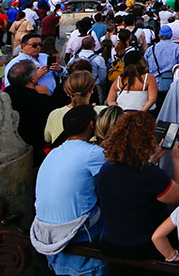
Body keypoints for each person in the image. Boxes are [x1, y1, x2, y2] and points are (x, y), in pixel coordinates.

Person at [95, 111, 179, 267]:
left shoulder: (107, 168)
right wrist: (176, 160)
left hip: (111, 241)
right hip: (143, 245)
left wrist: (152, 160)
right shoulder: (150, 174)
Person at [31, 105, 107, 276]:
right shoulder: (93, 153)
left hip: (44, 229)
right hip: (77, 230)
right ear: (91, 125)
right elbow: (120, 176)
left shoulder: (54, 153)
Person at [4, 58, 55, 166]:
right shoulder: (42, 100)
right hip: (34, 149)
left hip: (9, 145)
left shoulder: (4, 96)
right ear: (32, 79)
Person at [44, 71, 104, 145]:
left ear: (66, 91)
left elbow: (47, 138)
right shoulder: (103, 112)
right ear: (91, 89)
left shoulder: (54, 114)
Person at [145, 24, 179, 109]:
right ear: (171, 35)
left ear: (159, 35)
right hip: (172, 84)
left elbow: (146, 66)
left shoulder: (151, 49)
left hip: (154, 84)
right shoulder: (178, 49)